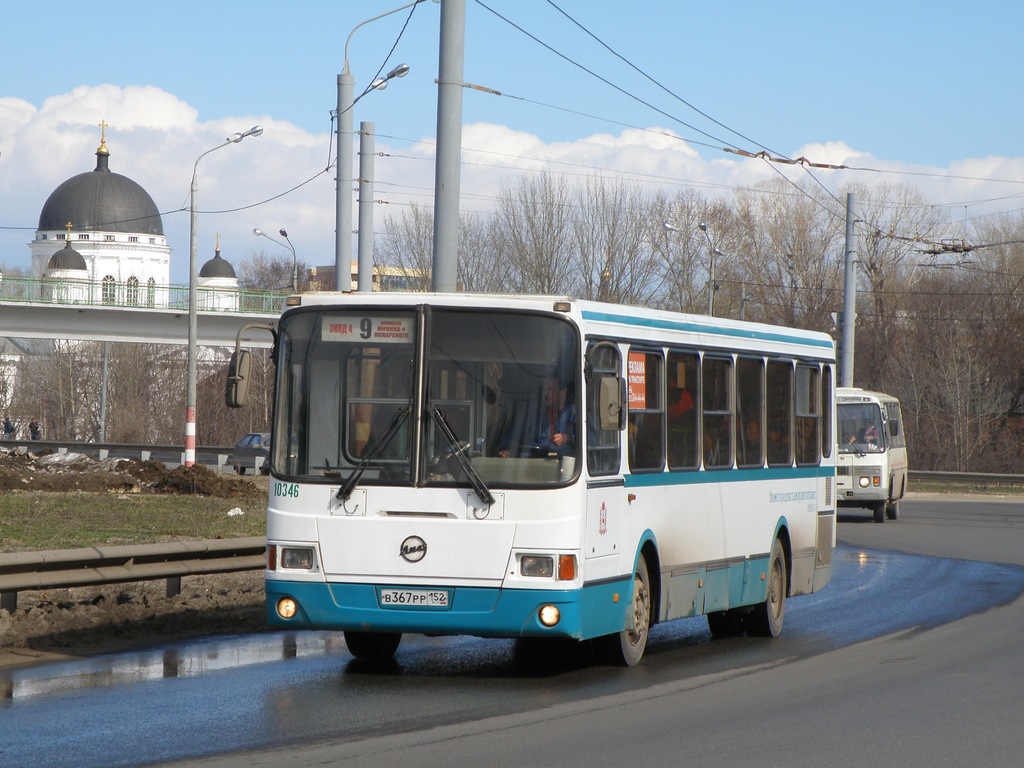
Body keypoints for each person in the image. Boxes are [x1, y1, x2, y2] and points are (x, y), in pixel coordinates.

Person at [500, 376, 575, 457]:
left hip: (568, 466)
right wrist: (509, 451)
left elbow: (589, 439)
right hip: (536, 464)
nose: (546, 394)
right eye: (544, 390)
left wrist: (568, 438)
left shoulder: (575, 413)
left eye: (551, 390)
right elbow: (517, 438)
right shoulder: (535, 415)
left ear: (563, 391)